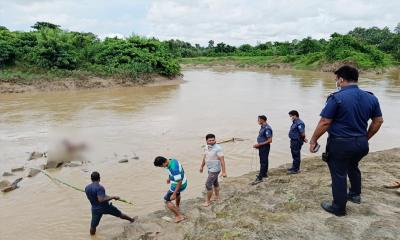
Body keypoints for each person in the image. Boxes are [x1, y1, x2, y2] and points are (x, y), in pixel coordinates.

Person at [309, 65, 383, 216]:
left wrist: (313, 140)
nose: (336, 82)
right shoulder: (371, 97)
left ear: (341, 79)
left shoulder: (336, 98)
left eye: (336, 79)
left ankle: (338, 208)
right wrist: (366, 137)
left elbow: (324, 122)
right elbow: (378, 121)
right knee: (353, 166)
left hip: (340, 144)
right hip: (361, 144)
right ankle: (355, 195)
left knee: (339, 174)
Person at [154, 156, 187, 223]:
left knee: (166, 200)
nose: (162, 167)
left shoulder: (174, 169)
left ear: (163, 163)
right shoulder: (172, 160)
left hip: (178, 185)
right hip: (183, 181)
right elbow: (176, 174)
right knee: (177, 194)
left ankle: (179, 216)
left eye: (161, 166)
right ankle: (177, 207)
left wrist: (174, 193)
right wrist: (169, 178)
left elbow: (179, 181)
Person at [200, 134, 227, 207]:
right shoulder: (206, 147)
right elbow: (205, 157)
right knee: (215, 182)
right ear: (206, 141)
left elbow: (222, 160)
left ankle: (208, 201)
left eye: (213, 140)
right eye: (210, 140)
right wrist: (202, 166)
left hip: (215, 169)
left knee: (208, 184)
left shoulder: (218, 148)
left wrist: (224, 172)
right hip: (209, 167)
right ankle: (217, 197)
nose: (212, 142)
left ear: (215, 140)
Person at [252, 115, 273, 185]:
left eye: (259, 120)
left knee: (263, 161)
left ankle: (260, 177)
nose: (258, 121)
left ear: (262, 120)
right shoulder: (262, 127)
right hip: (262, 146)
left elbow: (270, 140)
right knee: (264, 160)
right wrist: (259, 145)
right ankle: (264, 174)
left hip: (265, 147)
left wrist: (259, 145)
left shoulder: (267, 128)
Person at [287, 110, 307, 174]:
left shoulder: (299, 123)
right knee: (294, 154)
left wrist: (303, 139)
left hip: (296, 141)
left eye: (291, 116)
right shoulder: (295, 122)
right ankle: (294, 167)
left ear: (295, 115)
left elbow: (302, 133)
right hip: (293, 140)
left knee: (296, 155)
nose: (291, 118)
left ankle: (296, 169)